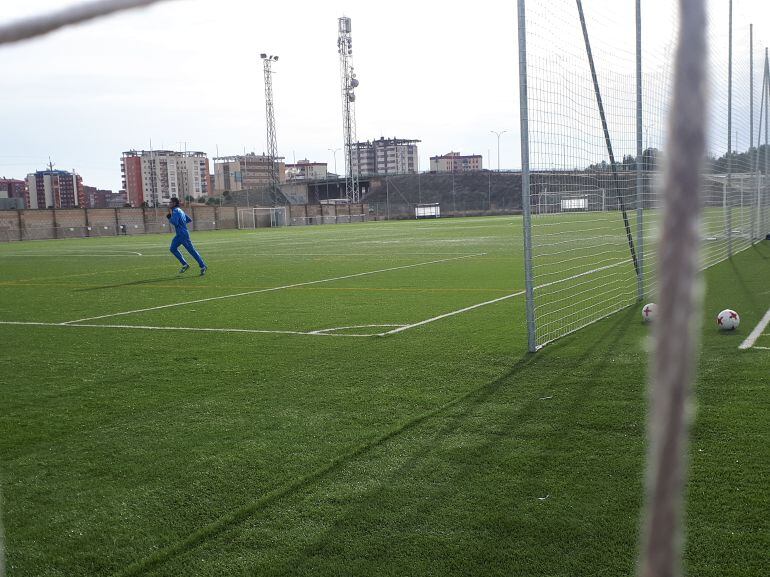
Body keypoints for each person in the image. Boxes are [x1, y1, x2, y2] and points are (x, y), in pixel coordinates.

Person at [166, 197, 207, 275]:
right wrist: (182, 223)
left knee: (191, 251)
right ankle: (185, 264)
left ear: (174, 203)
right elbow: (189, 219)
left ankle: (203, 266)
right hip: (179, 234)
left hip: (183, 234)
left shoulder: (175, 211)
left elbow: (175, 223)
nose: (169, 204)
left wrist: (169, 218)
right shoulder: (180, 210)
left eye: (170, 202)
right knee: (173, 249)